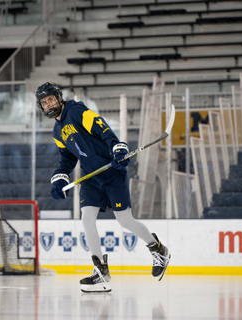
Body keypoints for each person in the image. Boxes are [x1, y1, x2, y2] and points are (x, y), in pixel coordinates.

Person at [36, 82, 171, 293]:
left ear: (59, 97)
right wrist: (60, 177)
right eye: (44, 102)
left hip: (111, 172)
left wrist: (117, 147)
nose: (48, 104)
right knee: (86, 218)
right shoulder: (57, 131)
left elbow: (102, 127)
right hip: (90, 177)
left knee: (125, 220)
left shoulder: (76, 110)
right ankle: (100, 269)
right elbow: (67, 157)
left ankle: (158, 249)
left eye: (51, 99)